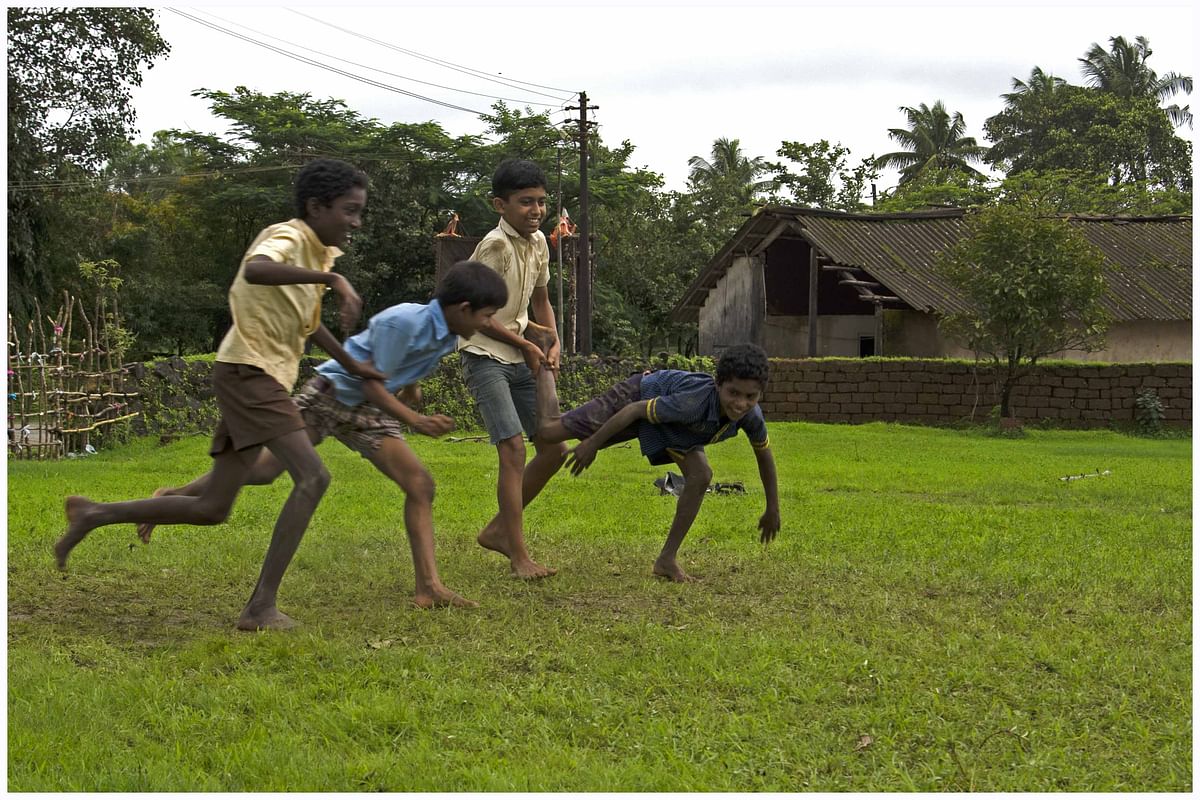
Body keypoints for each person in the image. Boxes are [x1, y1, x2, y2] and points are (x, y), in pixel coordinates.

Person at [54, 158, 384, 631]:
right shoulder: (290, 237)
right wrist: (332, 281)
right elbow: (256, 270)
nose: (356, 222)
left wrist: (357, 368)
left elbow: (309, 326)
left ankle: (94, 513)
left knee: (213, 508)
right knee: (313, 478)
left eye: (359, 212)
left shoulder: (318, 254)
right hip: (250, 372)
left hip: (251, 373)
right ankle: (259, 607)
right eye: (349, 211)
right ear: (316, 206)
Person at [134, 261, 509, 609]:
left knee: (420, 484)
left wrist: (411, 388)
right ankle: (173, 497)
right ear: (463, 308)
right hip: (332, 395)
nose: (487, 324)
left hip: (370, 409)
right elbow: (368, 381)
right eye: (486, 316)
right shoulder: (406, 322)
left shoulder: (449, 331)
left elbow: (398, 370)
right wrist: (416, 419)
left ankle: (428, 586)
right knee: (264, 471)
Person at [535, 343, 781, 582]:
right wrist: (592, 443)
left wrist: (773, 508)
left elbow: (765, 458)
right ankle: (545, 360)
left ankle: (666, 560)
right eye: (733, 393)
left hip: (675, 430)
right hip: (638, 396)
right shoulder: (693, 402)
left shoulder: (752, 417)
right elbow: (634, 410)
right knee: (549, 431)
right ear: (718, 385)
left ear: (761, 394)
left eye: (751, 396)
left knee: (700, 475)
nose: (740, 403)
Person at [459, 159, 567, 580]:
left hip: (521, 351)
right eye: (525, 203)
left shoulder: (539, 241)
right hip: (485, 354)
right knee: (513, 448)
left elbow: (539, 301)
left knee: (555, 447)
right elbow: (475, 314)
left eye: (541, 202)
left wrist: (554, 339)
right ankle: (519, 557)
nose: (536, 210)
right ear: (499, 205)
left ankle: (500, 531)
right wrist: (526, 342)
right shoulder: (495, 247)